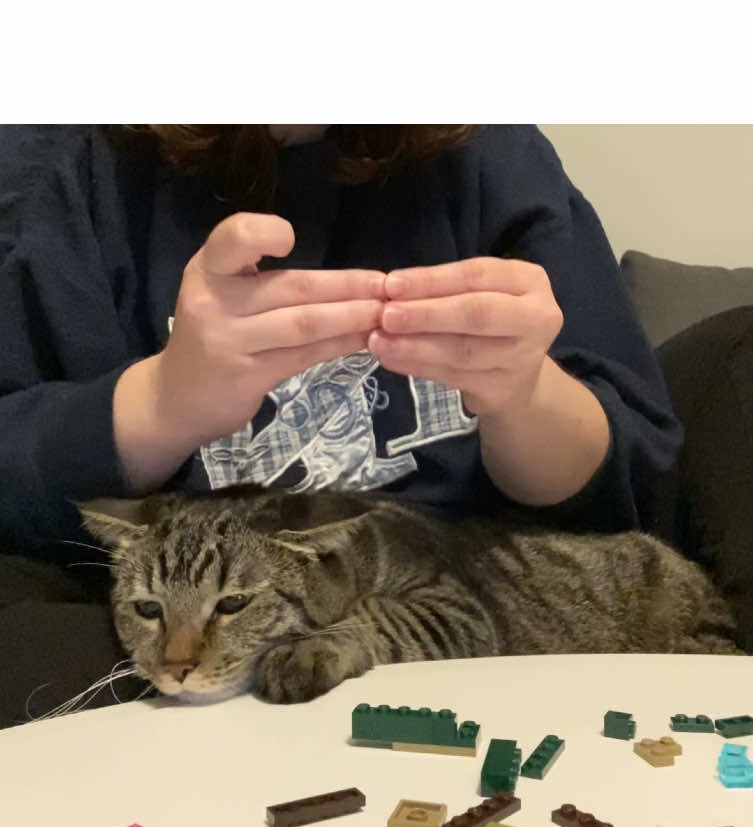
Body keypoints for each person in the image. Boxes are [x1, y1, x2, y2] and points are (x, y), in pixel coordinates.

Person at [0, 123, 683, 725]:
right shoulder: (60, 165)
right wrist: (158, 404)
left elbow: (628, 473)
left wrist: (524, 393)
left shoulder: (493, 154)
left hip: (461, 616)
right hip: (146, 640)